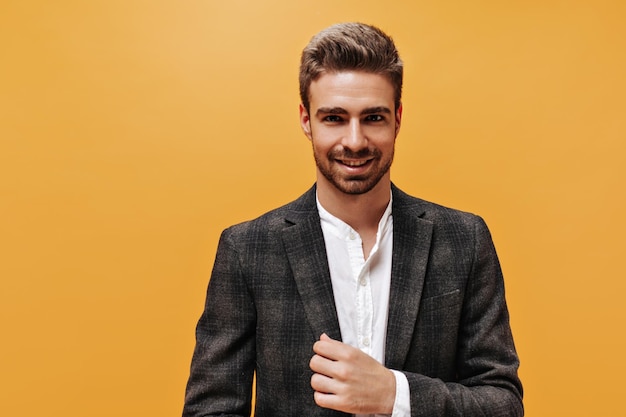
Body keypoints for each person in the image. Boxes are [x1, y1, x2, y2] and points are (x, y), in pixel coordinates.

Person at [183, 22, 523, 417]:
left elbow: (504, 404)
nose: (355, 141)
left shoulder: (464, 240)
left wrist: (395, 394)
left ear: (397, 118)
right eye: (334, 118)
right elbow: (210, 410)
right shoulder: (247, 249)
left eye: (373, 118)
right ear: (306, 120)